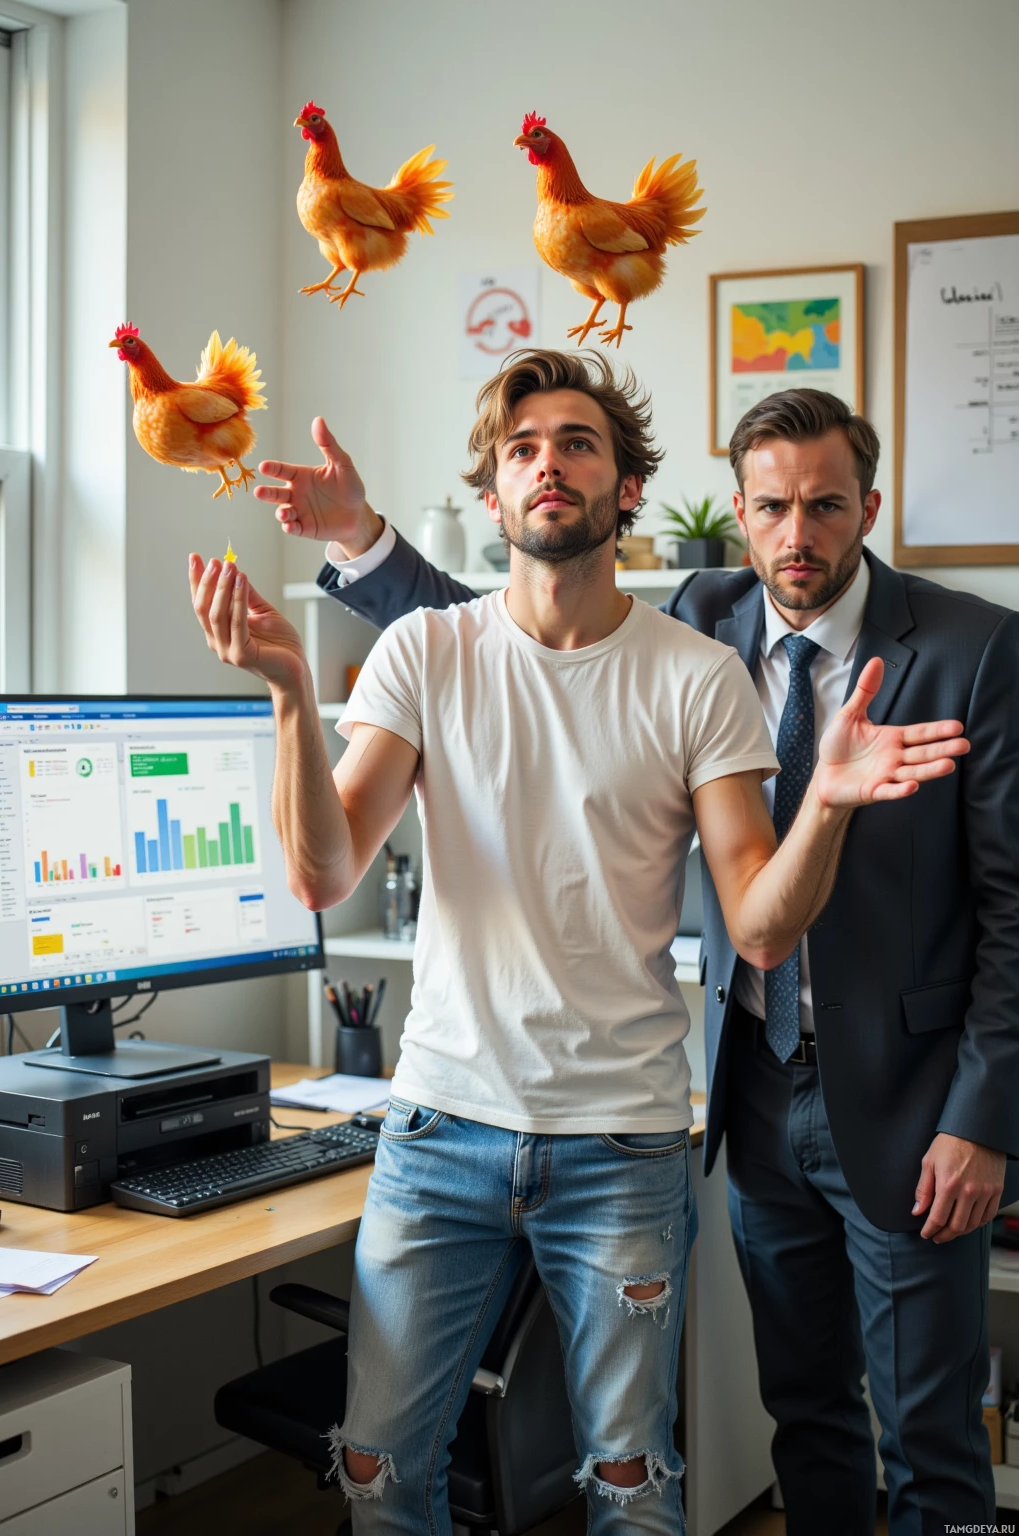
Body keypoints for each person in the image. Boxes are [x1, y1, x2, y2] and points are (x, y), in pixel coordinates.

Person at [195, 354, 968, 1534]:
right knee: (381, 1472)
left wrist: (827, 806)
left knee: (635, 1483)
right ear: (497, 496)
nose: (546, 462)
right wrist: (295, 693)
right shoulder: (425, 653)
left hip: (632, 1141)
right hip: (440, 1131)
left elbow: (762, 924)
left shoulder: (702, 673)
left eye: (577, 443)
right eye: (519, 449)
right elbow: (321, 869)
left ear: (628, 490)